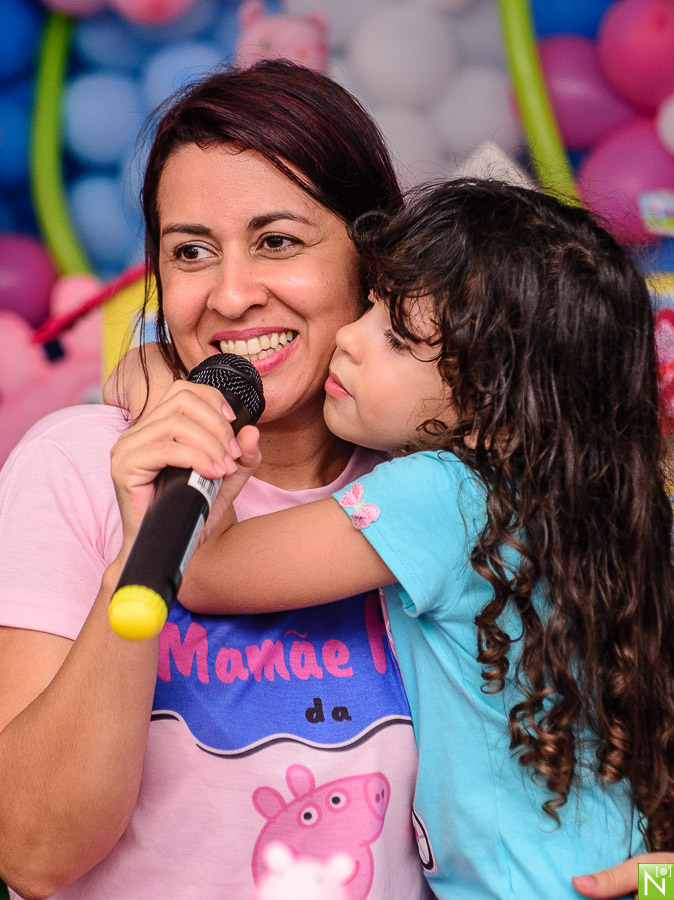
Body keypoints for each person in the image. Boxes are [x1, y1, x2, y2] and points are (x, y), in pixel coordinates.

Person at [168, 179, 674, 900]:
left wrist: (189, 397)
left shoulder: (444, 495)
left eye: (397, 339)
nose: (348, 336)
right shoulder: (591, 513)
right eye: (372, 306)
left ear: (497, 412)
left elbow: (206, 572)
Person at [0, 60, 433, 899]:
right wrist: (143, 536)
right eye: (192, 251)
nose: (232, 295)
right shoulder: (75, 462)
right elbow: (34, 854)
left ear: (372, 259)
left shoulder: (435, 493)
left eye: (278, 241)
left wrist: (663, 879)